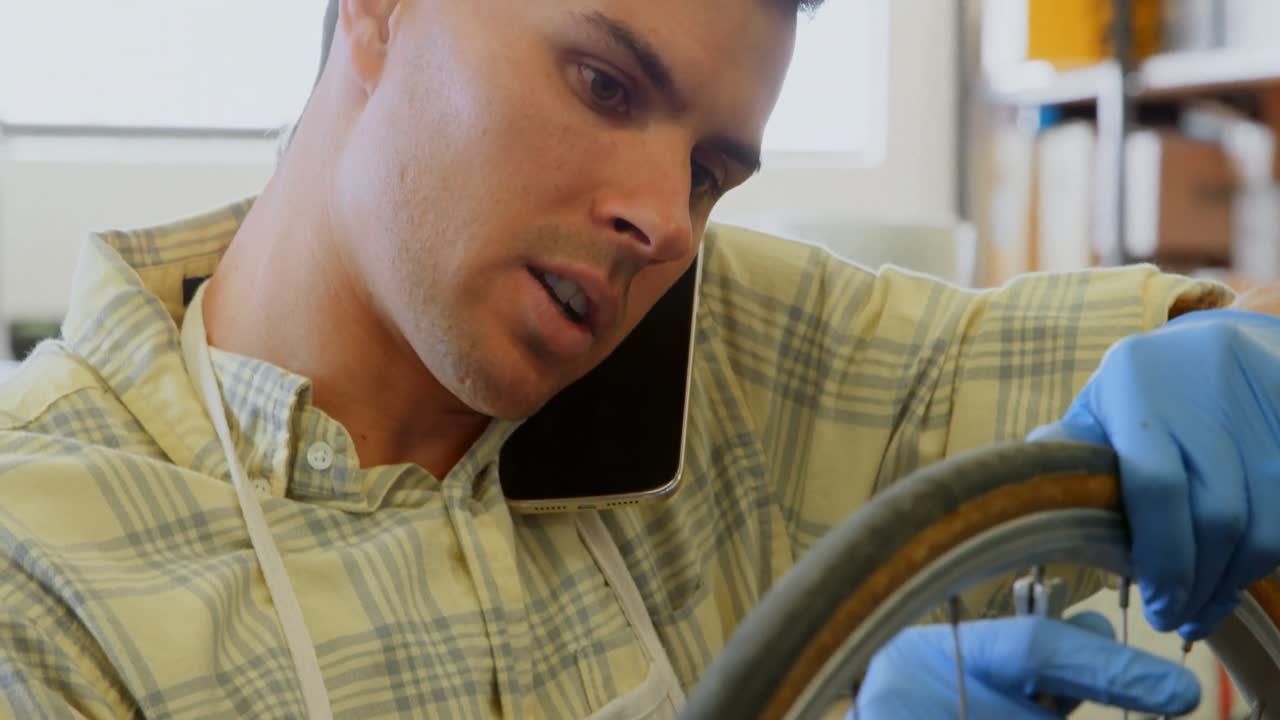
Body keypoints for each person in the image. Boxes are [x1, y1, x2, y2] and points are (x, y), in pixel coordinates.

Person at [0, 0, 1276, 717]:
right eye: (605, 85)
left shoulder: (720, 354)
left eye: (710, 168)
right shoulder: (41, 580)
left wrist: (1225, 349)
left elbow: (1193, 360)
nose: (664, 219)